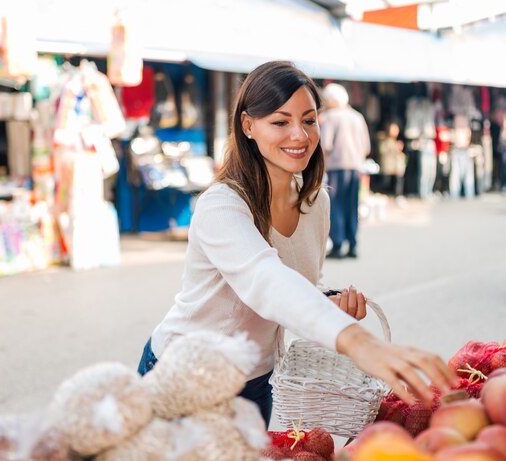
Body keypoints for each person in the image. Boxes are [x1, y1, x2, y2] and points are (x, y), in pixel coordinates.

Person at [137, 61, 457, 428]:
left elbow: (293, 291)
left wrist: (329, 304)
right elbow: (265, 280)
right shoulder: (221, 205)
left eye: (309, 120)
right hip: (184, 377)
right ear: (248, 126)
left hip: (256, 382)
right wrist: (359, 343)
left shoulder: (316, 202)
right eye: (280, 121)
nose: (300, 135)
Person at [319, 83, 370, 259]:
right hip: (355, 167)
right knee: (352, 206)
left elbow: (325, 144)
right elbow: (366, 146)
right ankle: (353, 244)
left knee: (336, 206)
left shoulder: (331, 117)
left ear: (333, 100)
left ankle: (338, 244)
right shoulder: (357, 117)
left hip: (336, 167)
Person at [377, 121, 407, 201]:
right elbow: (382, 151)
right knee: (385, 182)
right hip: (387, 165)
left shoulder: (395, 141)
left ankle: (398, 195)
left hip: (395, 165)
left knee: (399, 179)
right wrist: (395, 148)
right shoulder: (384, 139)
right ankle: (381, 194)